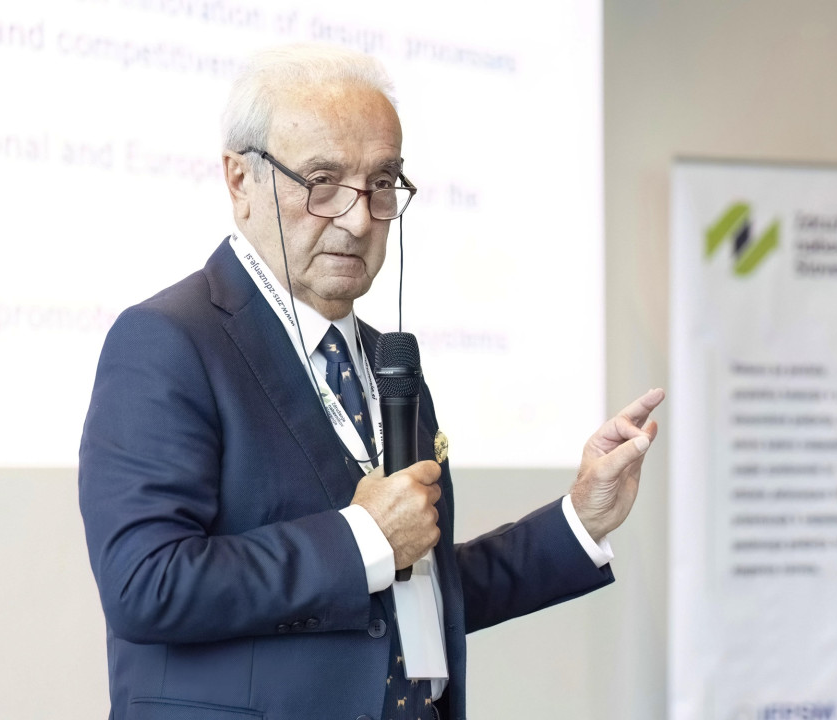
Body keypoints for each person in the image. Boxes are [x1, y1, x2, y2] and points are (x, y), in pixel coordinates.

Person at [78, 44, 663, 720]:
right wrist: (362, 537)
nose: (358, 219)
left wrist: (579, 519)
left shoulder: (388, 359)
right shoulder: (168, 341)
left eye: (382, 182)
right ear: (240, 182)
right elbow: (145, 584)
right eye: (322, 181)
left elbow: (410, 587)